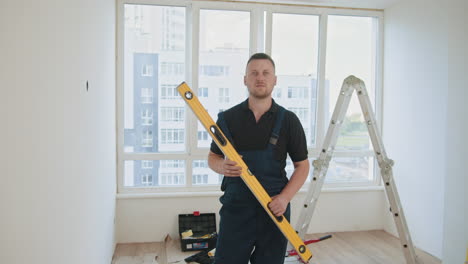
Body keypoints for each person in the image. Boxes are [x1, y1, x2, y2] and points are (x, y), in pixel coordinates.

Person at [208, 53, 310, 264]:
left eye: (266, 73)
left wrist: (284, 198)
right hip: (236, 209)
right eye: (253, 73)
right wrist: (222, 166)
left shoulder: (289, 121)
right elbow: (213, 157)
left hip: (274, 209)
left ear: (275, 80)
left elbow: (302, 166)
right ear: (245, 79)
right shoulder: (227, 118)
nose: (260, 78)